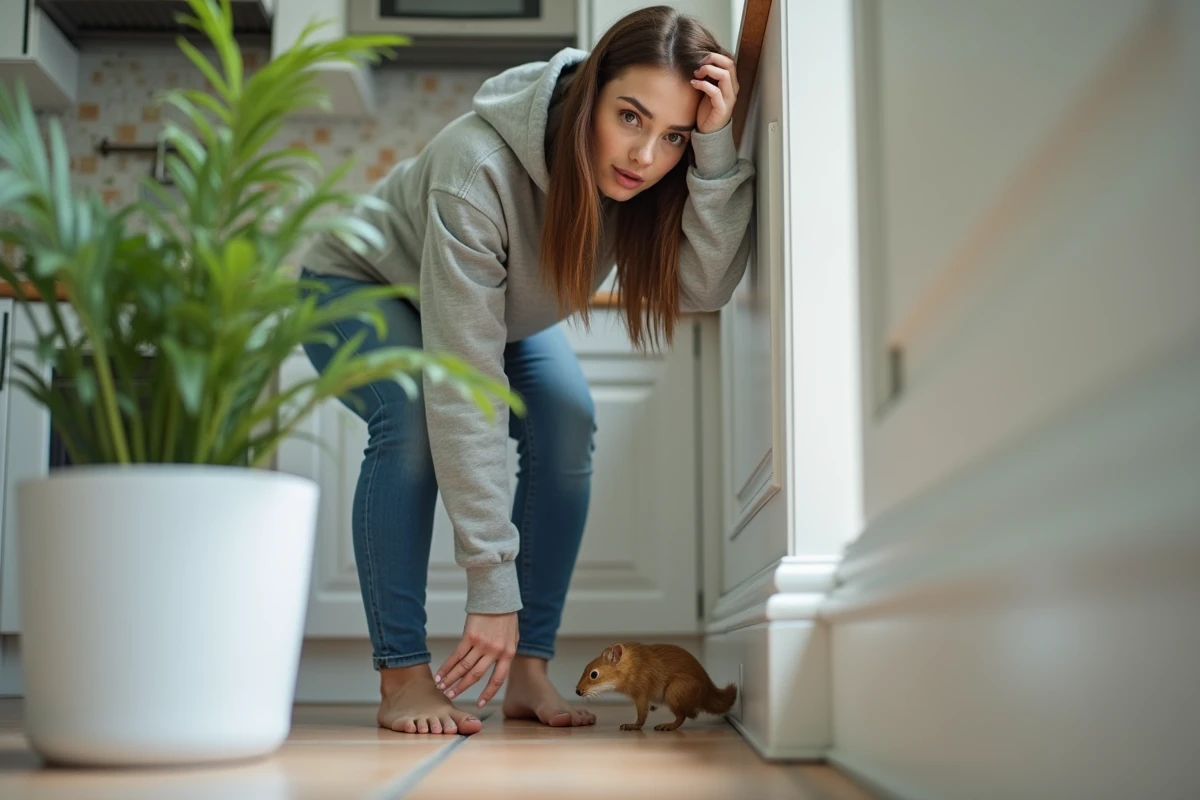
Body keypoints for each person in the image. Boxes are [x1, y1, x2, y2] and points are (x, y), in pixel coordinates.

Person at [296, 5, 754, 736]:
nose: (644, 156)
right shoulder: (476, 170)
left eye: (672, 134)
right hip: (360, 286)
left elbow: (703, 286)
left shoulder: (645, 178)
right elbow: (460, 381)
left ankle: (528, 673)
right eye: (630, 117)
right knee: (412, 419)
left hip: (489, 309)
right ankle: (403, 676)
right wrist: (491, 580)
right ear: (589, 94)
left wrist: (715, 148)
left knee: (567, 420)